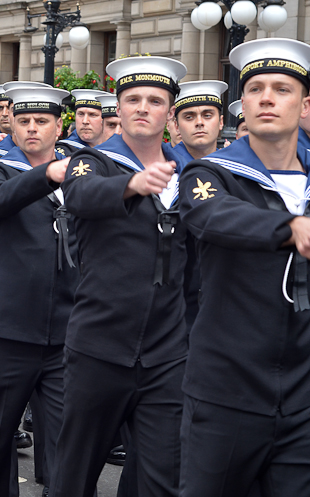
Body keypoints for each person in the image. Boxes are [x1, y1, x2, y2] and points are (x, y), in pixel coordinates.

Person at [52, 56, 190, 497]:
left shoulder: (191, 175)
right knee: (75, 473)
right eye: (133, 99)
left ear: (169, 114)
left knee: (161, 476)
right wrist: (132, 185)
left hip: (167, 352)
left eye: (155, 100)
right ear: (120, 108)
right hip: (100, 346)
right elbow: (80, 195)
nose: (143, 107)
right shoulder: (92, 162)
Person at [178, 37, 310, 497]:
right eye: (255, 89)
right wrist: (289, 227)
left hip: (302, 396)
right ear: (243, 105)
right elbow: (214, 218)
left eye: (282, 88)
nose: (267, 98)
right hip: (226, 391)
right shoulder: (211, 174)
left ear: (304, 104)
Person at [0, 85, 77, 497]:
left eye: (41, 121)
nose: (31, 129)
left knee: (70, 444)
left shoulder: (81, 169)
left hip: (67, 333)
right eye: (24, 121)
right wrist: (45, 175)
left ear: (59, 125)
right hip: (10, 330)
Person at [172, 81, 227, 162]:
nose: (199, 122)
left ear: (221, 122)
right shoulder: (163, 169)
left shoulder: (234, 169)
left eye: (207, 115)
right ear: (177, 126)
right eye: (189, 117)